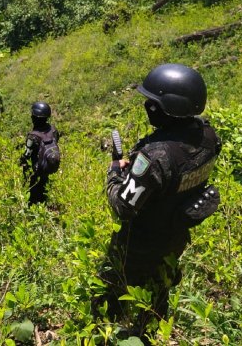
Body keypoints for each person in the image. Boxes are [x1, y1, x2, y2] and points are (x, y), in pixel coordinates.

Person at [94, 64, 221, 343]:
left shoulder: (155, 156)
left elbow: (122, 207)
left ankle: (105, 333)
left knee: (108, 294)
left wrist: (115, 171)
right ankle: (152, 330)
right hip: (176, 236)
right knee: (158, 292)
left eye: (153, 102)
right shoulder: (209, 137)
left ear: (168, 106)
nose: (148, 106)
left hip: (140, 243)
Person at [19, 101, 60, 206]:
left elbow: (27, 154)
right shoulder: (53, 130)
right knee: (44, 189)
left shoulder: (33, 136)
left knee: (33, 195)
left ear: (35, 118)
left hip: (36, 170)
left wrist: (21, 161)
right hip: (47, 166)